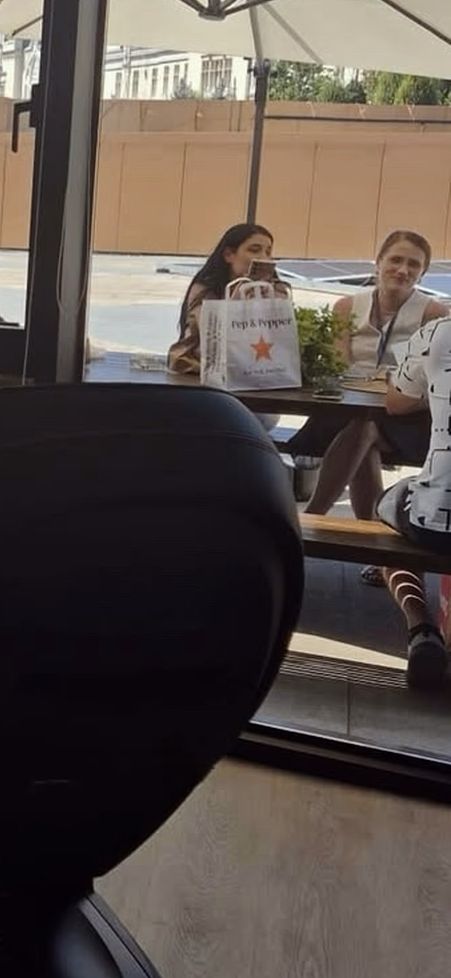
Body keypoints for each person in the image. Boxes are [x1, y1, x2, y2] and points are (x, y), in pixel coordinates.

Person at [302, 230, 448, 521]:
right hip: (348, 409)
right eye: (395, 260)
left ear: (423, 273)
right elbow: (338, 367)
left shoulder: (433, 313)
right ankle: (371, 533)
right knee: (363, 430)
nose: (403, 270)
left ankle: (313, 516)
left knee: (364, 430)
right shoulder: (346, 307)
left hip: (405, 417)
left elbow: (427, 383)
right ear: (378, 262)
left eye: (413, 264)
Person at [371, 314, 451, 688]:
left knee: (388, 511)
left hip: (434, 518)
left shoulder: (438, 332)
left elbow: (396, 403)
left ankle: (421, 626)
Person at [166, 221, 276, 377]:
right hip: (201, 369)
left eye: (268, 252)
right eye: (254, 250)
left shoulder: (273, 289)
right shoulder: (205, 289)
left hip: (257, 369)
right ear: (229, 255)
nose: (263, 257)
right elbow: (212, 335)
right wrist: (236, 301)